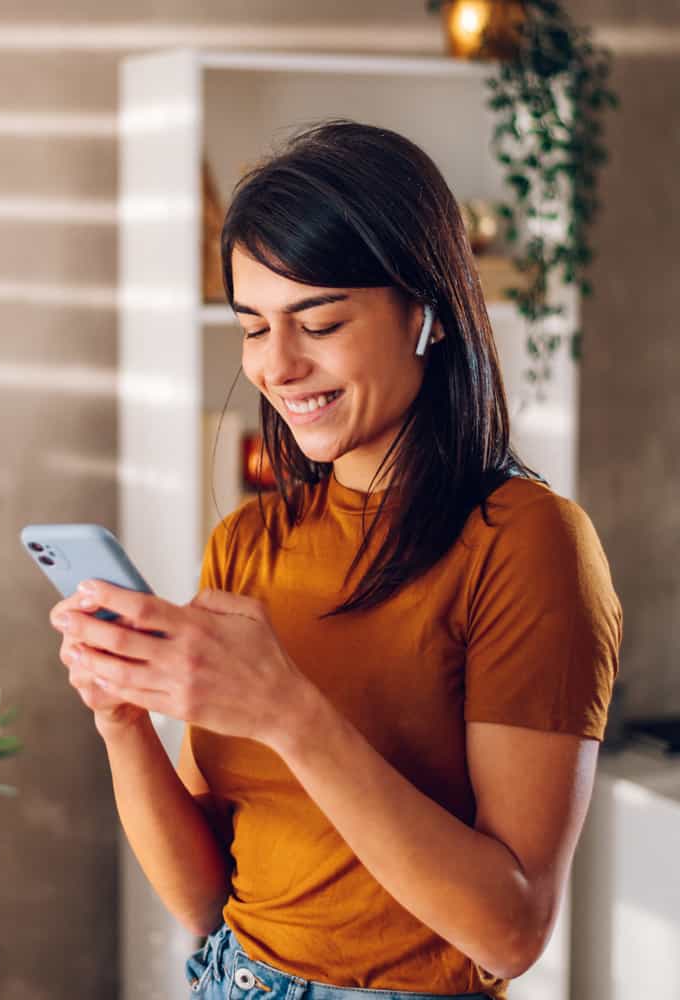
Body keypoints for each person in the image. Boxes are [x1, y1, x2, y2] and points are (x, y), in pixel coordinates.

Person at [47, 119, 623, 1000]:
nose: (277, 366)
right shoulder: (249, 543)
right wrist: (120, 721)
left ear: (427, 312)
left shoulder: (527, 544)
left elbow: (510, 932)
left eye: (318, 322)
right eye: (253, 327)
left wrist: (290, 716)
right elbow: (205, 901)